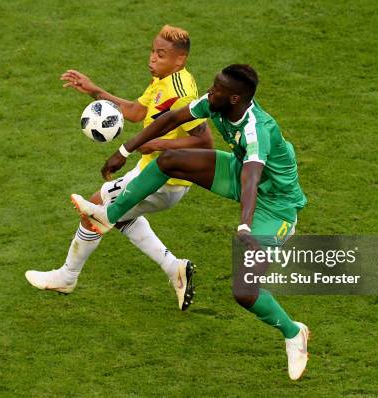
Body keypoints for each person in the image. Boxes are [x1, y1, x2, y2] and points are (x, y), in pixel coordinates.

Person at [70, 64, 310, 380]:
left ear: (235, 98)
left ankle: (294, 333)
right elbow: (172, 118)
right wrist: (124, 149)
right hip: (240, 174)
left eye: (219, 88)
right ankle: (108, 216)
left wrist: (244, 227)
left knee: (245, 290)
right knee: (169, 161)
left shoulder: (256, 130)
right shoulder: (215, 103)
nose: (212, 91)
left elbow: (252, 179)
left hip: (274, 205)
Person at [25, 25, 212, 311]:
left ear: (179, 60)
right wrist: (95, 91)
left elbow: (205, 142)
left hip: (164, 180)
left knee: (96, 208)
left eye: (160, 55)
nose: (152, 59)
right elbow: (137, 113)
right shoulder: (162, 80)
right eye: (152, 51)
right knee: (120, 216)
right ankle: (174, 268)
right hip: (150, 173)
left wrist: (159, 144)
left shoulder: (181, 92)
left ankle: (67, 276)